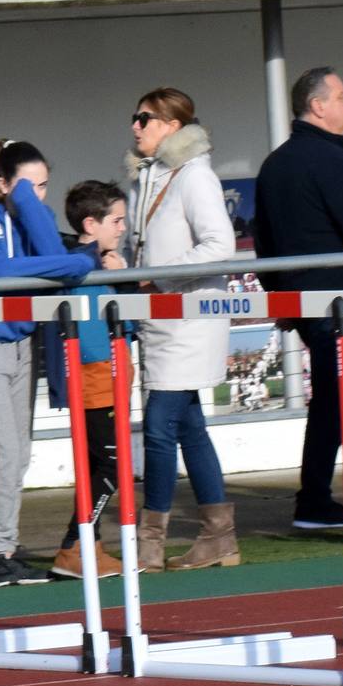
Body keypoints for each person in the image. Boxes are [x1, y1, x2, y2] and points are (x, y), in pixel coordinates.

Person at [254, 67, 343, 530]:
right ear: (318, 106)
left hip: (311, 306)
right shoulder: (334, 164)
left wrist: (283, 301)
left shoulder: (274, 165)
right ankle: (332, 495)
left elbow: (264, 245)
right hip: (336, 306)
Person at [0, 140, 96, 587]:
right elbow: (3, 271)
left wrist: (63, 255)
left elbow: (45, 248)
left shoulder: (32, 216)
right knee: (6, 453)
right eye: (28, 187)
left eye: (42, 186)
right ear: (3, 184)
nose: (37, 196)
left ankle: (6, 547)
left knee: (20, 453)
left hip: (23, 347)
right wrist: (72, 261)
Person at [124, 89, 239, 572]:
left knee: (158, 425)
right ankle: (220, 537)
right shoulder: (146, 177)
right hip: (158, 319)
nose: (135, 126)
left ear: (171, 125)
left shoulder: (195, 175)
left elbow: (220, 244)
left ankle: (151, 542)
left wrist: (162, 275)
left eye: (144, 118)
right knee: (190, 427)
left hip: (189, 318)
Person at [44, 181, 129, 578]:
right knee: (112, 467)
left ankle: (88, 545)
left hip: (109, 374)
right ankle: (71, 546)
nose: (123, 228)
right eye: (117, 221)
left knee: (98, 465)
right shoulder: (81, 265)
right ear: (91, 225)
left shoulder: (105, 262)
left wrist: (125, 274)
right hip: (95, 377)